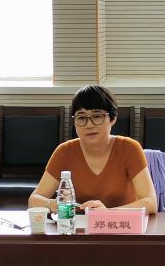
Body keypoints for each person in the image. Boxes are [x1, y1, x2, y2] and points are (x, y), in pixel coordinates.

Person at [29, 85, 158, 214]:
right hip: (77, 225)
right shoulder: (64, 152)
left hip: (121, 225)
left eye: (97, 116)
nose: (89, 125)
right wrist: (51, 204)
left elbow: (151, 202)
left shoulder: (129, 148)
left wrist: (106, 213)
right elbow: (34, 200)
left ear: (112, 119)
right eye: (81, 118)